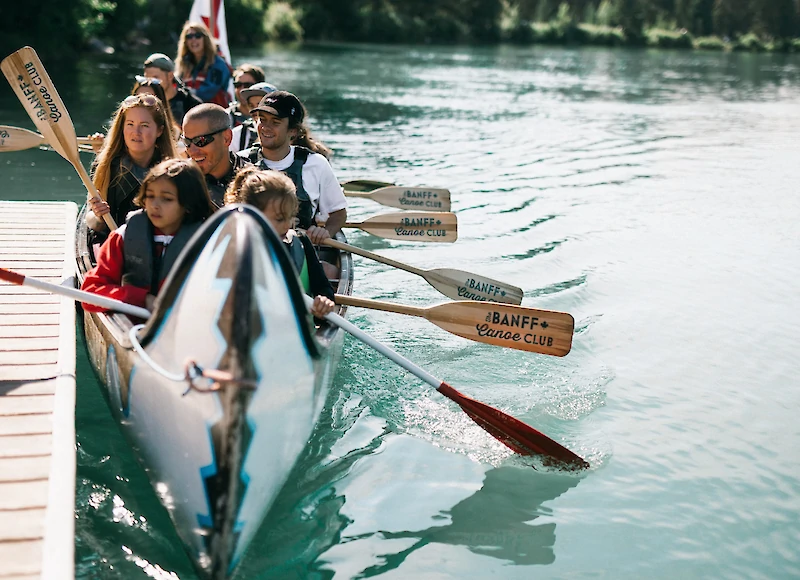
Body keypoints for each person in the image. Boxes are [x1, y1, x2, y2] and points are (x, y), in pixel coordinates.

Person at [81, 158, 216, 313]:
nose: (154, 205)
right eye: (150, 196)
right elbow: (91, 292)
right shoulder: (123, 237)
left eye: (167, 199)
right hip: (136, 328)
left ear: (188, 204)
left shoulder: (209, 243)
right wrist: (142, 299)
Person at [224, 167, 335, 318]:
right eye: (279, 219)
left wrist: (324, 303)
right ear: (250, 214)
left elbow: (324, 289)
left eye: (290, 217)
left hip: (296, 331)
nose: (287, 225)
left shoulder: (301, 243)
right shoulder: (233, 251)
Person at [239, 91, 346, 245]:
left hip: (301, 251)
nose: (265, 127)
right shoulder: (241, 161)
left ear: (293, 131)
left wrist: (325, 232)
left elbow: (338, 213)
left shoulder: (316, 163)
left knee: (329, 270)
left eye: (275, 122)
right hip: (252, 249)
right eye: (262, 120)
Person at [86, 94, 177, 238]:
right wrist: (99, 218)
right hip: (113, 245)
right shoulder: (104, 166)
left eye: (144, 125)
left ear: (159, 131)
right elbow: (90, 219)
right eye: (130, 124)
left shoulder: (173, 171)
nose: (136, 132)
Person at [182, 103, 252, 208]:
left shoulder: (254, 182)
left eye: (201, 141)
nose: (192, 151)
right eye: (187, 141)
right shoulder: (180, 181)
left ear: (226, 138)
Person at [175, 22, 232, 107]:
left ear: (205, 39)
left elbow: (208, 92)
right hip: (190, 113)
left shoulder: (218, 64)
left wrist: (185, 93)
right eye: (189, 37)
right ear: (185, 42)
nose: (193, 39)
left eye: (198, 36)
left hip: (215, 113)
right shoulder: (183, 64)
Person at [142, 52, 202, 124]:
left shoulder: (191, 105)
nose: (150, 83)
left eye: (155, 78)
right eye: (147, 79)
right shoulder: (144, 104)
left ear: (170, 76)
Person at [229, 81, 277, 154]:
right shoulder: (238, 134)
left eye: (259, 105)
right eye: (251, 105)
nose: (255, 110)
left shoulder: (287, 132)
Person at [132, 76, 181, 140]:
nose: (142, 104)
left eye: (149, 100)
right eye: (138, 99)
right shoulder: (123, 129)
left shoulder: (175, 134)